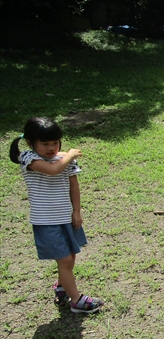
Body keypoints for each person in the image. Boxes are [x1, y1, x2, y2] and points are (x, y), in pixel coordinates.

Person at [9, 117, 104, 314]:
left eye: (55, 143)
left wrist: (76, 211)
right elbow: (53, 170)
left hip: (66, 218)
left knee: (70, 256)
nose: (51, 148)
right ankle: (76, 301)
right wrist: (68, 155)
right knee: (65, 260)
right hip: (46, 221)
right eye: (45, 144)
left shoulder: (65, 159)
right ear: (29, 143)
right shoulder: (28, 158)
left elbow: (73, 185)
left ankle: (62, 287)